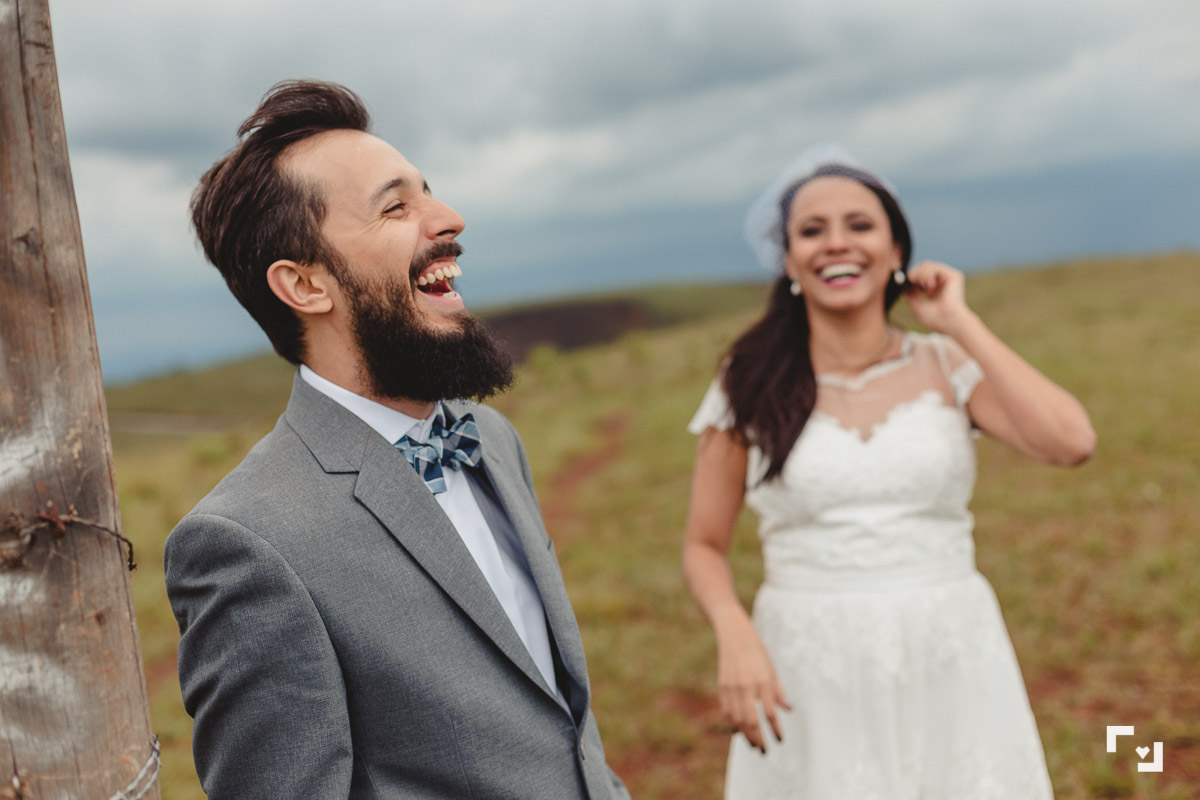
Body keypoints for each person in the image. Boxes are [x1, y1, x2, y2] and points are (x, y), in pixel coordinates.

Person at [164, 80, 631, 800]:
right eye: (396, 207)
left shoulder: (491, 439)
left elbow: (559, 725)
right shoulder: (248, 545)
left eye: (429, 193)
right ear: (305, 285)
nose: (449, 219)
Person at [681, 145, 1096, 799]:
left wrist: (959, 321)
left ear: (897, 249)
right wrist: (736, 637)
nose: (836, 244)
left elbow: (1071, 442)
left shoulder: (946, 365)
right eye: (812, 231)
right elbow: (704, 543)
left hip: (950, 645)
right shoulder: (748, 383)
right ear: (788, 259)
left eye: (860, 225)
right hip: (807, 659)